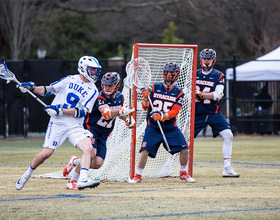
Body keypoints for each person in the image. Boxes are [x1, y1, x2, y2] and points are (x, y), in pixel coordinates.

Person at [16, 56, 103, 190]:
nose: (94, 73)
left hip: (74, 124)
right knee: (46, 154)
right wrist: (32, 88)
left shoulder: (93, 90)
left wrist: (60, 110)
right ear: (83, 68)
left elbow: (82, 112)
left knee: (88, 149)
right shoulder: (69, 79)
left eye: (95, 70)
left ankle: (82, 180)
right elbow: (48, 90)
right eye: (92, 70)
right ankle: (27, 174)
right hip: (58, 123)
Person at [63, 72, 135, 190]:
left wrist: (127, 119)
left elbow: (117, 114)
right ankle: (73, 181)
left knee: (98, 163)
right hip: (92, 129)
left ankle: (76, 162)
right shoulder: (98, 97)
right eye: (105, 85)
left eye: (110, 86)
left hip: (104, 134)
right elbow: (106, 113)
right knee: (90, 153)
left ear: (116, 86)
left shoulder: (120, 98)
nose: (106, 88)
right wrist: (123, 111)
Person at [129, 62, 196, 184]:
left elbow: (175, 112)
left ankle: (183, 173)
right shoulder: (154, 88)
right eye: (167, 73)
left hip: (170, 127)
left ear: (177, 75)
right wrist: (144, 98)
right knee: (144, 149)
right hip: (153, 127)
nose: (169, 76)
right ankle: (138, 175)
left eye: (172, 73)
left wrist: (163, 116)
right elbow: (145, 107)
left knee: (185, 149)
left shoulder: (179, 92)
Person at [195, 48, 240, 177]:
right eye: (204, 58)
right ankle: (173, 166)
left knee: (228, 135)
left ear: (213, 60)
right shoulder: (194, 73)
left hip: (213, 112)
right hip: (197, 113)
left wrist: (202, 95)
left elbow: (218, 95)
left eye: (209, 59)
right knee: (183, 139)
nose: (206, 61)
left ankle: (227, 168)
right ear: (201, 59)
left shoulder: (218, 75)